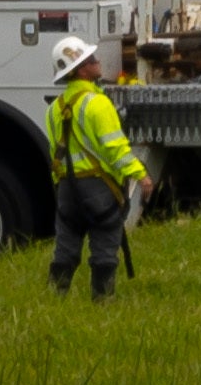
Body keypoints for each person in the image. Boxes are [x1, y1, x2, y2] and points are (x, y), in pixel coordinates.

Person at [43, 34, 148, 299]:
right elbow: (114, 148)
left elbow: (55, 152)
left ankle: (54, 299)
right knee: (104, 245)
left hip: (67, 189)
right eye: (91, 59)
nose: (98, 61)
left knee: (65, 248)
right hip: (98, 190)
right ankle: (102, 303)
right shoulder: (98, 103)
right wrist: (141, 175)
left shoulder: (54, 108)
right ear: (81, 69)